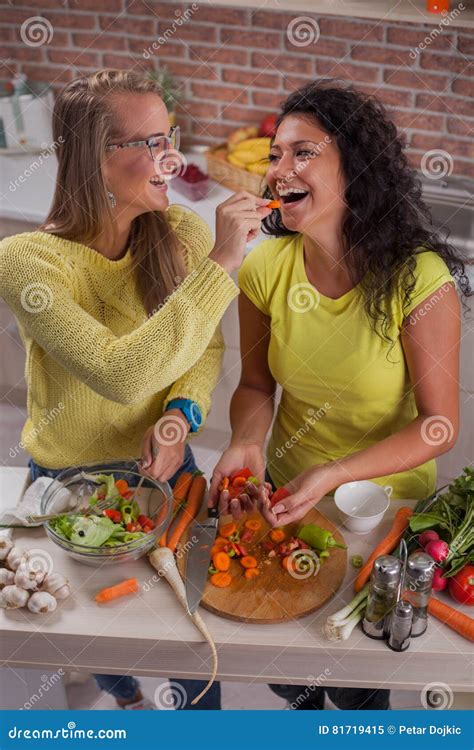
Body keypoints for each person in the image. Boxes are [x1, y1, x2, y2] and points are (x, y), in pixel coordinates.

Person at [0, 68, 271, 710]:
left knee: (190, 631)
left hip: (172, 469)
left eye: (169, 136)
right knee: (100, 636)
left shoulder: (182, 235)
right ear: (95, 158)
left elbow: (201, 347)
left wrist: (180, 416)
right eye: (149, 143)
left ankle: (194, 724)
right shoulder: (26, 262)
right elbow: (121, 376)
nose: (169, 158)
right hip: (74, 485)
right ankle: (126, 704)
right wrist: (224, 266)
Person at [210, 80, 469, 710]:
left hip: (380, 517)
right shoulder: (266, 267)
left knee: (355, 683)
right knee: (293, 673)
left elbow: (439, 426)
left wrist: (335, 473)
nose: (279, 170)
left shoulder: (417, 279)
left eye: (304, 153)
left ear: (355, 166)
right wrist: (246, 439)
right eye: (274, 155)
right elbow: (253, 385)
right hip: (288, 500)